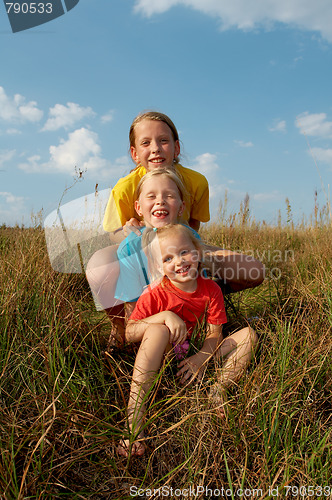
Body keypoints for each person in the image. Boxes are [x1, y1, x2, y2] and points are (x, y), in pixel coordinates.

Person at [118, 224, 258, 457]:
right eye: (168, 257)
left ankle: (218, 391)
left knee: (248, 336)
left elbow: (215, 334)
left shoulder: (210, 290)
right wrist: (164, 316)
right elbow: (129, 332)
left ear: (198, 252)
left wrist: (201, 358)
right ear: (159, 267)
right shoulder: (154, 294)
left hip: (195, 356)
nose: (179, 262)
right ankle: (135, 419)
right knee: (158, 331)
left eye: (184, 252)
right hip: (161, 359)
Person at [86, 168, 264, 347]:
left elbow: (198, 289)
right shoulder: (131, 248)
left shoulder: (190, 238)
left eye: (169, 195)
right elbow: (133, 312)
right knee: (157, 335)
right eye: (151, 196)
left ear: (181, 207)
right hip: (153, 319)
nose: (160, 201)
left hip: (190, 320)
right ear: (138, 208)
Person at [103, 110, 210, 235]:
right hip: (140, 248)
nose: (155, 149)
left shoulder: (197, 182)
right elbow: (113, 234)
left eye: (163, 140)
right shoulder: (123, 189)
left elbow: (194, 224)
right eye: (145, 143)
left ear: (176, 148)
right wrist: (129, 233)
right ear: (135, 153)